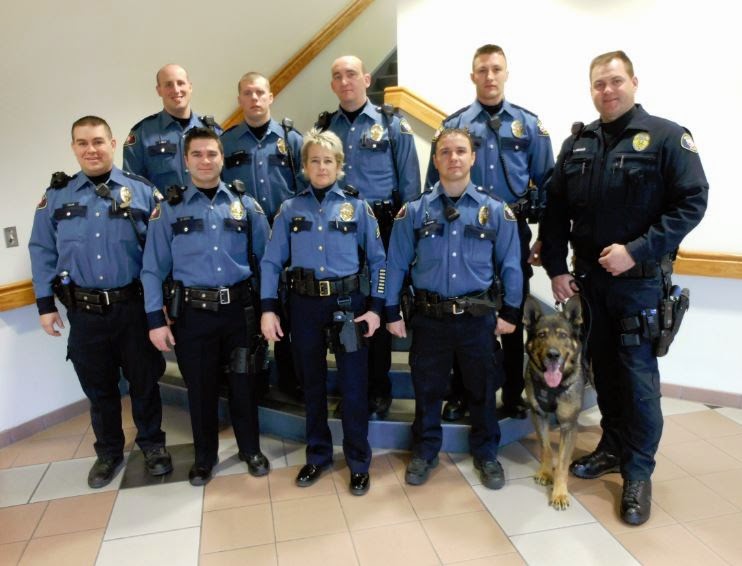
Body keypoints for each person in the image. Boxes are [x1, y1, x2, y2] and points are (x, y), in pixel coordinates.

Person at [540, 50, 708, 525]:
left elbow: (692, 202)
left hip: (638, 286)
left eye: (615, 81)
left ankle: (637, 473)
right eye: (599, 83)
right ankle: (611, 448)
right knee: (603, 375)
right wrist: (555, 268)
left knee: (638, 383)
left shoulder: (667, 137)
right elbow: (555, 211)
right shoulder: (578, 144)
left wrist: (636, 250)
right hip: (589, 288)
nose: (607, 90)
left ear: (634, 82)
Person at [29, 115, 172, 488]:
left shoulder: (142, 192)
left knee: (144, 382)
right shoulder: (57, 197)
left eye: (97, 141)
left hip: (133, 307)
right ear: (73, 148)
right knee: (99, 387)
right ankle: (108, 452)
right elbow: (42, 250)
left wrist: (160, 307)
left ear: (111, 144)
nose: (90, 149)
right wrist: (45, 305)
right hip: (85, 312)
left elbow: (159, 254)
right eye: (82, 143)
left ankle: (152, 445)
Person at [386, 128, 523, 488]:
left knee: (482, 390)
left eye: (460, 151)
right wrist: (391, 310)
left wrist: (511, 311)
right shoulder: (414, 211)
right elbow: (395, 264)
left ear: (472, 157)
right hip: (429, 318)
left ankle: (487, 453)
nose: (453, 158)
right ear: (435, 160)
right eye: (445, 152)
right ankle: (424, 451)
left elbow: (511, 264)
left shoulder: (495, 211)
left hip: (477, 319)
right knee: (427, 390)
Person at [426, 44, 554, 422]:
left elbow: (549, 186)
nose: (490, 76)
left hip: (513, 231)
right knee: (464, 314)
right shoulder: (455, 126)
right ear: (473, 76)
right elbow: (434, 186)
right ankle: (462, 394)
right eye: (482, 70)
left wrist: (546, 237)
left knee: (512, 309)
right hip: (465, 234)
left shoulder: (529, 125)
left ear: (506, 73)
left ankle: (513, 393)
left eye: (496, 69)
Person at [141, 127, 271, 486]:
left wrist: (268, 309)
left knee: (244, 385)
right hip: (192, 315)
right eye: (197, 154)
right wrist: (155, 319)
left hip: (239, 312)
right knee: (200, 389)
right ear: (186, 160)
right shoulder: (168, 210)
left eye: (212, 153)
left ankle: (250, 449)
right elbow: (152, 268)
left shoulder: (246, 206)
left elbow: (267, 261)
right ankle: (204, 457)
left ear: (222, 158)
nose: (205, 160)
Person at [260, 128, 386, 496]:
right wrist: (268, 308)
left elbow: (379, 262)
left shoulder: (357, 207)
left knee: (354, 387)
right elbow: (270, 262)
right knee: (311, 385)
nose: (321, 166)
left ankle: (358, 461)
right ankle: (317, 454)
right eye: (314, 160)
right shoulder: (290, 209)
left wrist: (376, 308)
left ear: (339, 165)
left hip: (348, 306)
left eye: (328, 160)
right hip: (304, 307)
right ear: (304, 165)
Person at [315, 55, 421, 420]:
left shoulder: (392, 124)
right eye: (337, 76)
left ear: (366, 79)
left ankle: (378, 388)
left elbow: (410, 188)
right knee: (346, 308)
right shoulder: (325, 128)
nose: (345, 81)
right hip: (339, 232)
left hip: (384, 228)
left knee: (379, 304)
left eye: (351, 74)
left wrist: (408, 242)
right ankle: (353, 387)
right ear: (332, 84)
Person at [221, 72, 304, 399]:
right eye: (247, 93)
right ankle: (255, 377)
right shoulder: (226, 143)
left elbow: (304, 189)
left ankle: (290, 378)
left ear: (270, 97)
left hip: (286, 238)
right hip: (243, 239)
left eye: (259, 92)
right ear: (239, 99)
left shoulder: (291, 139)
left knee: (287, 307)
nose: (254, 98)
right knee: (251, 306)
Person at [123, 64, 222, 191]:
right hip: (162, 204)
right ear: (159, 90)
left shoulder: (213, 131)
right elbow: (133, 186)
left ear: (190, 86)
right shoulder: (142, 134)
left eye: (181, 83)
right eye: (168, 84)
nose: (176, 90)